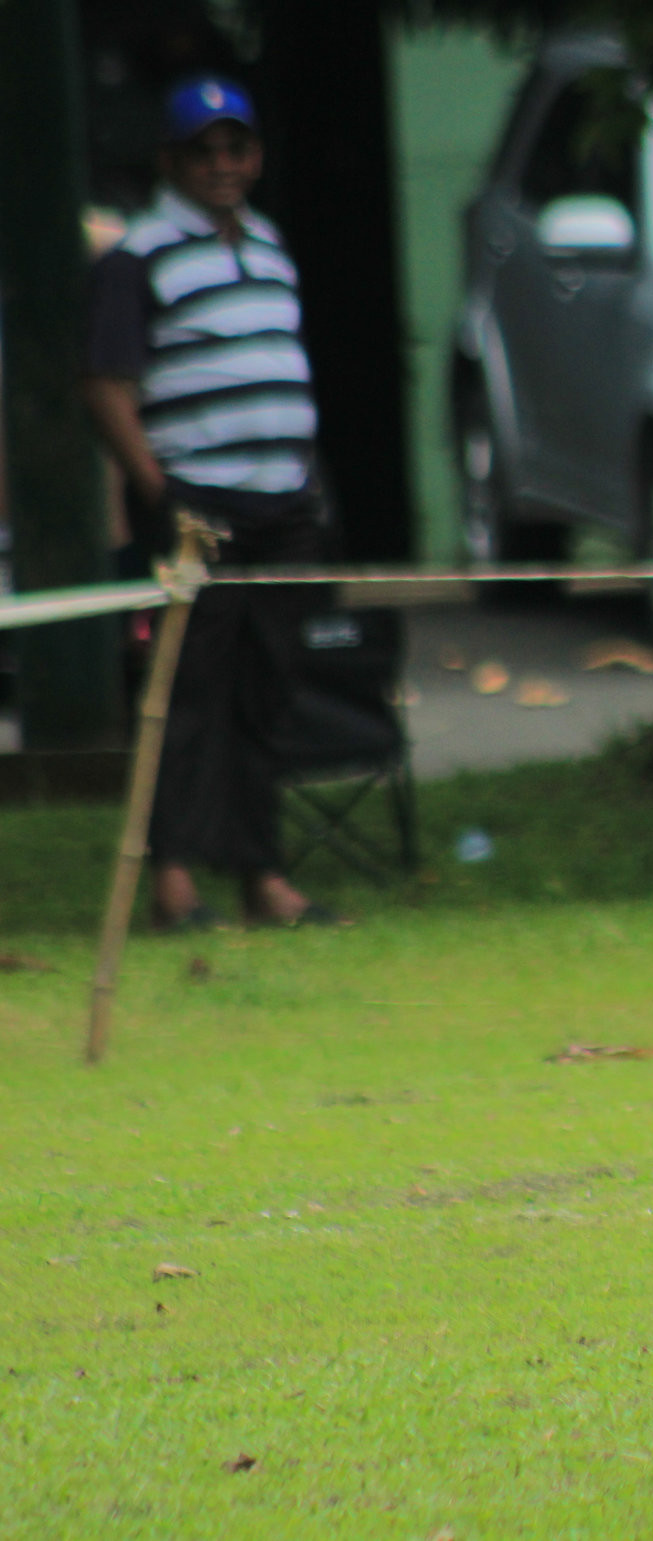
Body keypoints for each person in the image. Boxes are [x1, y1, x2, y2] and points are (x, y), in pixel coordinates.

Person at [82, 76, 337, 932]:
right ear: (171, 160)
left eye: (237, 147)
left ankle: (262, 874)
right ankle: (175, 881)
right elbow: (107, 386)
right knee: (184, 694)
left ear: (256, 155)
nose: (224, 164)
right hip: (198, 509)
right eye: (205, 150)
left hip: (283, 508)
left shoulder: (269, 245)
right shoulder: (138, 255)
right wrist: (160, 490)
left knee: (267, 691)